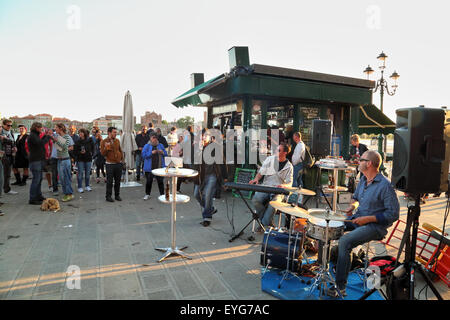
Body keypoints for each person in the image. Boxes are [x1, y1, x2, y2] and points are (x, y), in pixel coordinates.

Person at [329, 150, 400, 298]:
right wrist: (352, 207)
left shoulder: (386, 185)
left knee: (345, 242)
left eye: (361, 159)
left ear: (369, 163)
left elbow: (393, 214)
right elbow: (356, 199)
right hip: (357, 218)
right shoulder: (362, 179)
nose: (358, 161)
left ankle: (340, 287)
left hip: (375, 227)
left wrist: (369, 219)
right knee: (327, 225)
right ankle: (326, 266)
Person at [250, 143, 293, 228]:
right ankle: (267, 221)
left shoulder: (289, 166)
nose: (276, 151)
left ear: (285, 153)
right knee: (255, 199)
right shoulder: (269, 159)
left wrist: (284, 186)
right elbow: (261, 172)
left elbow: (290, 183)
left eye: (278, 150)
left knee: (274, 204)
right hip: (266, 186)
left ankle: (262, 224)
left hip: (279, 190)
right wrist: (256, 179)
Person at [193, 129, 228, 227]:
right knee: (196, 194)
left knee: (207, 195)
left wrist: (225, 177)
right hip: (200, 175)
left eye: (205, 136)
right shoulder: (197, 148)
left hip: (212, 174)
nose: (203, 138)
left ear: (210, 137)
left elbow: (222, 162)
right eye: (201, 136)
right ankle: (210, 208)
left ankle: (207, 217)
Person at [27, 122, 51, 205]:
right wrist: (48, 137)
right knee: (36, 180)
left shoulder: (35, 135)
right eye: (40, 127)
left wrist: (45, 136)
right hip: (35, 161)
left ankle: (38, 195)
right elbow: (40, 143)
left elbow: (39, 142)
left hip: (38, 160)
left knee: (39, 179)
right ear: (36, 128)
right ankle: (33, 198)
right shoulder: (32, 136)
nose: (42, 129)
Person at [51, 123, 74, 202]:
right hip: (60, 160)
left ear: (61, 129)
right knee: (61, 178)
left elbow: (65, 148)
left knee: (66, 178)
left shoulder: (67, 136)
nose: (55, 129)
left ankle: (69, 194)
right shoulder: (59, 137)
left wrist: (55, 140)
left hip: (65, 160)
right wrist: (54, 141)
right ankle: (66, 193)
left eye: (56, 128)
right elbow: (59, 148)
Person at [100, 126, 124, 202]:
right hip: (110, 164)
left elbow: (120, 150)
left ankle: (117, 195)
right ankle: (108, 196)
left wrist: (122, 160)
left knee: (118, 181)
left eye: (116, 132)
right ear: (109, 133)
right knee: (109, 181)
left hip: (118, 163)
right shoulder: (104, 141)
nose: (115, 134)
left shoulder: (117, 140)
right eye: (114, 132)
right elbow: (103, 154)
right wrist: (106, 148)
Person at [141, 133, 167, 200]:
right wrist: (151, 153)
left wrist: (162, 152)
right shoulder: (147, 146)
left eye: (155, 137)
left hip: (159, 167)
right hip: (150, 168)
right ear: (150, 138)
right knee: (149, 182)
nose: (154, 139)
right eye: (153, 137)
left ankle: (162, 195)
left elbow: (166, 154)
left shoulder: (161, 145)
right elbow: (143, 155)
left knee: (160, 182)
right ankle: (147, 194)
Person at [0, 119, 18, 194]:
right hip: (3, 155)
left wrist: (15, 147)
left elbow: (13, 141)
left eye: (11, 125)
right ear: (3, 125)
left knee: (8, 174)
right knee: (2, 174)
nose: (10, 127)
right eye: (8, 125)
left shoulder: (10, 132)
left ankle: (7, 189)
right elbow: (5, 141)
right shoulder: (0, 131)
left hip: (10, 154)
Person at [74, 128, 94, 193]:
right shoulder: (77, 141)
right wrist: (80, 152)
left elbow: (93, 148)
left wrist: (91, 154)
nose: (80, 134)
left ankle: (87, 186)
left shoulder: (89, 140)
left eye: (81, 132)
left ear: (84, 133)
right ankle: (80, 187)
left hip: (88, 158)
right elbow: (75, 151)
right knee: (80, 174)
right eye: (79, 132)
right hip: (80, 159)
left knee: (88, 173)